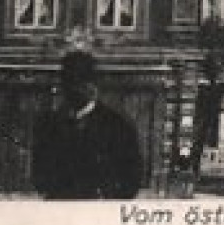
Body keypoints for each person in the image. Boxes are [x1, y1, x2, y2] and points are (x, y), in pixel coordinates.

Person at [32, 50, 143, 200]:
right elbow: (39, 174)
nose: (75, 89)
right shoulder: (48, 124)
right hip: (59, 208)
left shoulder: (117, 126)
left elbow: (132, 176)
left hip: (99, 211)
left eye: (81, 83)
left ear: (93, 86)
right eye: (69, 83)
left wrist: (109, 198)